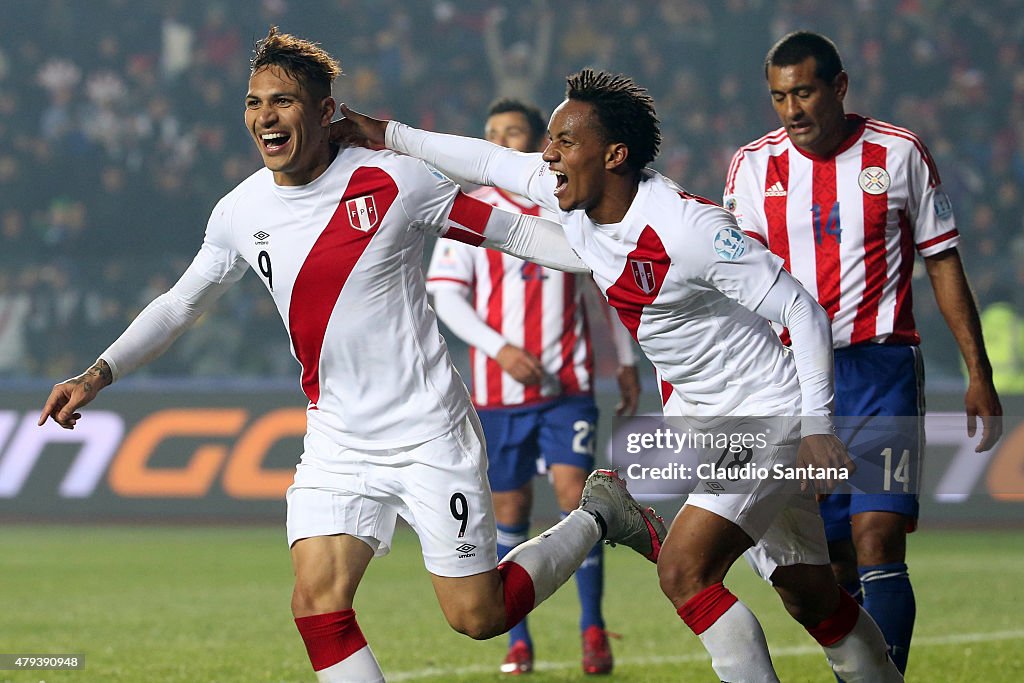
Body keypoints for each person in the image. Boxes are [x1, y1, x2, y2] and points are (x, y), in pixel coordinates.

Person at [36, 29, 667, 683]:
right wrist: (97, 371)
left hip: (428, 431)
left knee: (477, 615)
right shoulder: (238, 210)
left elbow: (517, 232)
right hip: (338, 438)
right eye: (254, 102)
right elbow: (179, 304)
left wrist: (619, 247)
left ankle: (598, 514)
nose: (264, 116)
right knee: (317, 604)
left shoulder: (395, 180)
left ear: (324, 110)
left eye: (282, 101)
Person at [337, 67, 904, 682]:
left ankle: (616, 517)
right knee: (811, 596)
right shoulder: (572, 197)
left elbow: (800, 308)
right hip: (700, 418)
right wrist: (385, 133)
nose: (547, 156)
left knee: (685, 571)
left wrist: (818, 427)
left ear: (614, 155)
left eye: (563, 142)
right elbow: (485, 160)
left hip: (766, 413)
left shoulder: (690, 230)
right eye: (548, 141)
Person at [723, 30, 1004, 674]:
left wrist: (978, 372)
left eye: (804, 92)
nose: (792, 110)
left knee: (877, 537)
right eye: (779, 97)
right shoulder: (751, 167)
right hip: (792, 380)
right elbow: (732, 281)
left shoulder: (899, 153)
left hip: (881, 370)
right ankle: (865, 670)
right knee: (830, 554)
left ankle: (889, 676)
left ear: (839, 86)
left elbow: (943, 262)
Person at [425, 97, 639, 675]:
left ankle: (592, 630)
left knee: (575, 497)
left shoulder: (567, 203)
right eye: (492, 132)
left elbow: (607, 283)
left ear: (538, 140)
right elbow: (445, 293)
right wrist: (500, 349)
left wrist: (624, 359)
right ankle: (518, 640)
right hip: (498, 394)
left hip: (567, 384)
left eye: (514, 132)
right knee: (511, 508)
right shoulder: (468, 210)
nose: (501, 141)